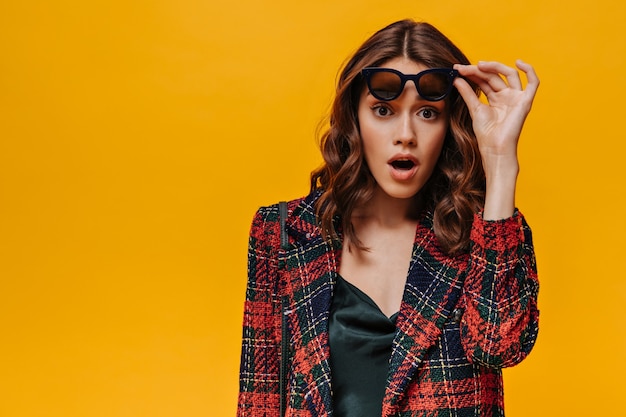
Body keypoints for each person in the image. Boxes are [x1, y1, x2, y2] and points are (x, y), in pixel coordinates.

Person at [237, 19, 539, 417]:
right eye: (383, 110)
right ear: (355, 120)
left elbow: (499, 345)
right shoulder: (283, 232)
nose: (406, 134)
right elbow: (259, 397)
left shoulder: (485, 236)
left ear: (450, 126)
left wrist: (500, 163)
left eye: (428, 113)